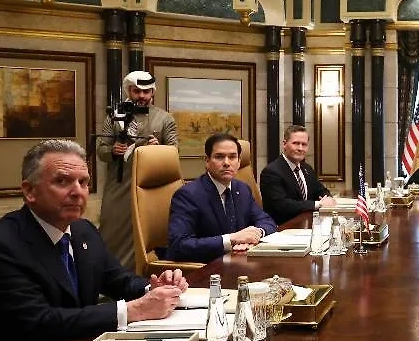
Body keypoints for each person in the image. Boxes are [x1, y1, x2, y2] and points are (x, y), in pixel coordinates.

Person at [0, 140, 187, 341]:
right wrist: (132, 310)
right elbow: (40, 323)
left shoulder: (83, 230)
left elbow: (116, 279)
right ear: (29, 191)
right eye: (62, 181)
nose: (77, 192)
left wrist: (153, 287)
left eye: (83, 182)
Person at [95, 70, 178, 270]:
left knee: (149, 231)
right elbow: (101, 149)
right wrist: (113, 150)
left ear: (152, 93)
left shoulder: (165, 118)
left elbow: (174, 152)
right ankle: (111, 275)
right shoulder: (114, 117)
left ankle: (145, 274)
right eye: (137, 91)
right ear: (129, 91)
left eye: (146, 91)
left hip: (152, 188)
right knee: (112, 229)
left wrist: (159, 148)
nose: (141, 96)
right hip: (120, 184)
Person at [167, 133, 278, 263]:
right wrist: (231, 239)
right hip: (207, 266)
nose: (226, 163)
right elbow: (180, 245)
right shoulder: (188, 195)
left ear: (239, 162)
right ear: (207, 161)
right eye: (219, 157)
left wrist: (255, 234)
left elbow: (267, 221)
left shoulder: (242, 189)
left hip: (239, 261)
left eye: (232, 157)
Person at [260, 125, 336, 225]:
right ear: (284, 144)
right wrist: (318, 204)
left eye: (304, 144)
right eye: (296, 143)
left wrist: (328, 198)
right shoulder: (271, 172)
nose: (300, 148)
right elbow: (282, 205)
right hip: (283, 228)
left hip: (307, 224)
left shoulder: (307, 169)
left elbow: (321, 190)